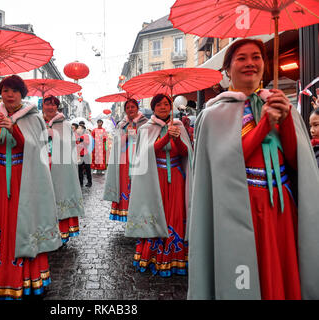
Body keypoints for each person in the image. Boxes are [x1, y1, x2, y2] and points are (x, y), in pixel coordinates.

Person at [188, 39, 319, 300]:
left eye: (257, 57)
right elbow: (227, 164)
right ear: (228, 70)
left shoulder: (282, 105)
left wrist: (285, 122)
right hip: (240, 209)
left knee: (280, 273)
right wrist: (264, 125)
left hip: (281, 208)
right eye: (242, 58)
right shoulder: (213, 115)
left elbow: (295, 162)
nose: (250, 63)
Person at [0, 75, 61, 300]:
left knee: (24, 222)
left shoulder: (34, 118)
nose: (9, 94)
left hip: (25, 178)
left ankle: (29, 278)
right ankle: (0, 278)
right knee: (0, 221)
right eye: (6, 90)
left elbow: (37, 151)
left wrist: (14, 129)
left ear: (22, 94)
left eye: (15, 90)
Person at [125, 94, 193, 278]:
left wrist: (177, 137)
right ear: (153, 107)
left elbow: (186, 153)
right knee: (156, 212)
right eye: (160, 104)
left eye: (167, 104)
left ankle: (176, 256)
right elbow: (145, 154)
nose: (164, 107)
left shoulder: (178, 125)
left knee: (176, 215)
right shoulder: (146, 129)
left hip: (177, 177)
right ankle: (153, 255)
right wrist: (165, 138)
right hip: (155, 178)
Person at [42, 95, 84, 244]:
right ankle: (44, 235)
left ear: (57, 107)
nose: (50, 107)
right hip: (41, 166)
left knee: (59, 197)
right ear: (43, 105)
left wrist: (54, 136)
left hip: (60, 167)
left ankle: (61, 234)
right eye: (47, 104)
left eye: (53, 104)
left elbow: (71, 146)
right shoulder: (37, 122)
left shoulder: (65, 125)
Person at [103, 99, 148, 222]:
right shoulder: (121, 124)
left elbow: (148, 141)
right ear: (125, 110)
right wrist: (126, 136)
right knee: (125, 185)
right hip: (124, 161)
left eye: (133, 107)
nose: (130, 109)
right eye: (128, 107)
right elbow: (117, 144)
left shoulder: (145, 123)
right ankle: (127, 213)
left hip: (139, 159)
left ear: (137, 108)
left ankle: (139, 212)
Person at [76, 121, 93, 187]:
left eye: (79, 128)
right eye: (78, 128)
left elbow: (87, 143)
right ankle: (80, 182)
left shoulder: (86, 135)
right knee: (79, 169)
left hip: (85, 154)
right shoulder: (77, 136)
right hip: (79, 154)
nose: (78, 129)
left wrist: (81, 140)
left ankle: (89, 182)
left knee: (87, 169)